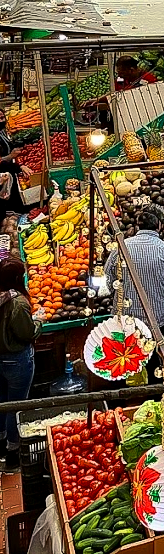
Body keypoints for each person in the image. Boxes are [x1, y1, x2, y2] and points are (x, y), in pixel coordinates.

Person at [104, 205, 164, 383]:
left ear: (137, 226)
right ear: (160, 226)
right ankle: (155, 402)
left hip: (125, 322)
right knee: (156, 369)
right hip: (155, 323)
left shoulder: (119, 249)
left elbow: (109, 284)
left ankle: (127, 405)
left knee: (125, 365)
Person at [0, 259, 43, 469]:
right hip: (15, 360)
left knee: (1, 401)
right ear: (18, 279)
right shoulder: (17, 303)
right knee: (16, 406)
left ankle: (0, 443)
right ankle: (12, 452)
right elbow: (27, 333)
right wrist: (39, 321)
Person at [0, 111, 29, 218]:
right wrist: (18, 165)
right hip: (4, 172)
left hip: (7, 171)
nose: (2, 119)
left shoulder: (2, 132)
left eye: (3, 116)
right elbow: (1, 163)